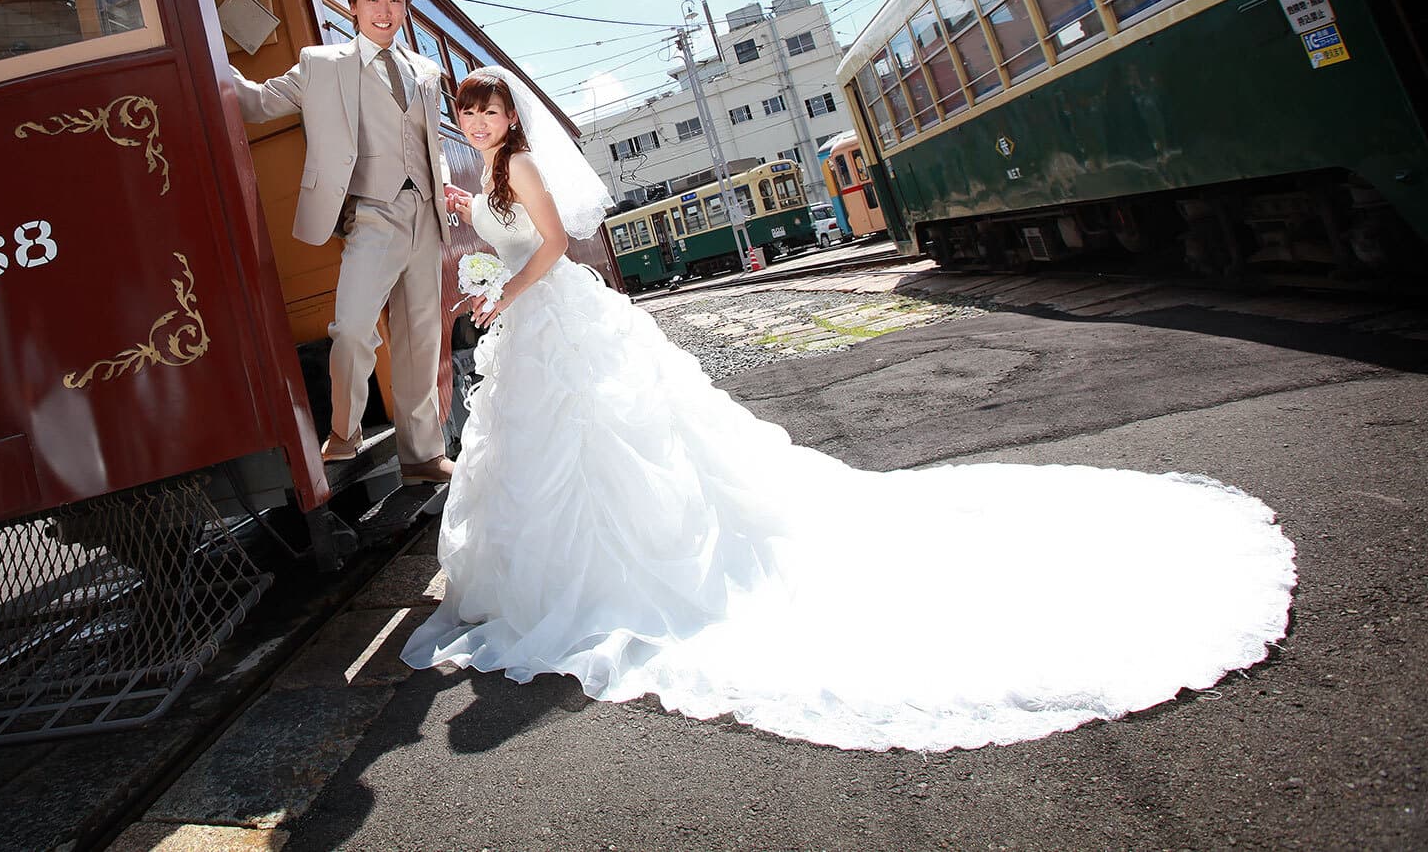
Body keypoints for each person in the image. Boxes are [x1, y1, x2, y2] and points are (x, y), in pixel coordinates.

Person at [403, 67, 1296, 751]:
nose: (481, 122)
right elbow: (510, 229)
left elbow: (554, 245)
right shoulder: (490, 172)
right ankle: (565, 579)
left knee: (604, 450)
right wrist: (467, 216)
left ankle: (596, 581)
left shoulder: (516, 164)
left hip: (553, 318)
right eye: (470, 113)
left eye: (489, 111)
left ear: (511, 117)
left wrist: (505, 293)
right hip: (532, 328)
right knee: (553, 455)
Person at [231, 0, 456, 485]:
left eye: (395, 1)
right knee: (353, 329)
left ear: (406, 10)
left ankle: (422, 454)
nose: (385, 11)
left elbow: (428, 144)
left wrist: (442, 184)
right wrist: (211, 59)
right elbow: (259, 104)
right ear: (353, 7)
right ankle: (345, 433)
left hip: (425, 214)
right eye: (373, 0)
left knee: (420, 338)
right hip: (372, 215)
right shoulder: (321, 64)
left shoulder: (426, 72)